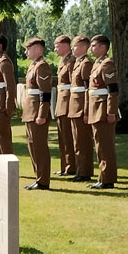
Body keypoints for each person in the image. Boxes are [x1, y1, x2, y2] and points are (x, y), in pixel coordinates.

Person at [85, 35, 121, 189]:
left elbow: (113, 90)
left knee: (106, 146)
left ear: (102, 47)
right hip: (96, 109)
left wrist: (111, 112)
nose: (91, 48)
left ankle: (108, 179)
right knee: (100, 146)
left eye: (94, 46)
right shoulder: (96, 64)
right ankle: (103, 177)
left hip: (103, 110)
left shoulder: (107, 64)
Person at [20, 37, 53, 190]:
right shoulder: (33, 66)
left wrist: (42, 114)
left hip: (37, 112)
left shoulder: (42, 67)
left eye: (29, 49)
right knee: (32, 146)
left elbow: (45, 93)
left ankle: (43, 180)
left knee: (39, 147)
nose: (26, 52)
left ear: (38, 50)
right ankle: (38, 178)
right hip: (30, 110)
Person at [68, 35, 94, 182]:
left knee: (83, 141)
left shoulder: (86, 64)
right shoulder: (78, 63)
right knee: (77, 141)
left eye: (76, 46)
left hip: (80, 106)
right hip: (74, 105)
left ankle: (84, 172)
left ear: (84, 47)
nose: (73, 48)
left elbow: (86, 89)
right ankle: (80, 170)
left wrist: (86, 110)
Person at [53, 35, 75, 176]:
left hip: (68, 101)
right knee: (62, 136)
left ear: (66, 45)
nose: (55, 49)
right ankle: (65, 165)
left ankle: (71, 166)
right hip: (61, 100)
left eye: (57, 45)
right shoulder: (63, 61)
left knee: (69, 136)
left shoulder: (71, 61)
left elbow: (74, 84)